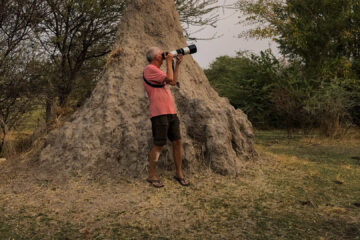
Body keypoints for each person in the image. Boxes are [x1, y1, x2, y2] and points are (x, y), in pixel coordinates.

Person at [143, 47, 190, 188]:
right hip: (159, 113)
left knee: (177, 142)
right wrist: (169, 62)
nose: (163, 54)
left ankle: (179, 173)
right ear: (154, 57)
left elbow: (173, 81)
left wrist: (177, 64)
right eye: (160, 53)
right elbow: (169, 78)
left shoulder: (158, 71)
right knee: (159, 145)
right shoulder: (149, 69)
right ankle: (152, 176)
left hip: (171, 112)